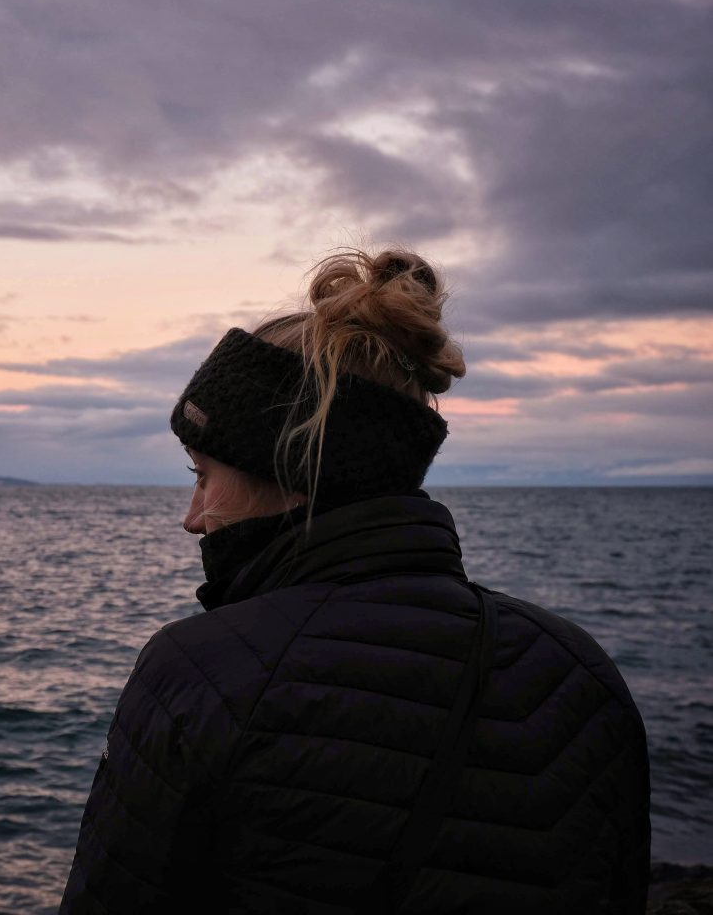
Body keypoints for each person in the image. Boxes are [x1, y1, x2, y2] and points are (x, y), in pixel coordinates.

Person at [59, 249, 651, 913]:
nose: (192, 519)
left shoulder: (202, 675)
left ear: (295, 470)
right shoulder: (580, 673)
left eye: (202, 477)